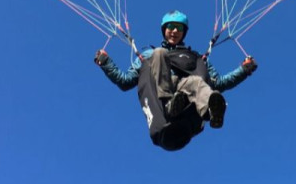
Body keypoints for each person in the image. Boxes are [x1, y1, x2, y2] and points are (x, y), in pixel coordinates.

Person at [94, 11, 257, 150]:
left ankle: (211, 111)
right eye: (170, 27)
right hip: (161, 90)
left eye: (179, 28)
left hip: (185, 92)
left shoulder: (197, 58)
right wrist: (106, 62)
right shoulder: (149, 55)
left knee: (197, 82)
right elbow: (125, 81)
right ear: (164, 30)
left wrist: (243, 70)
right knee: (159, 53)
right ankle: (169, 104)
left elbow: (218, 83)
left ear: (184, 32)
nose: (174, 31)